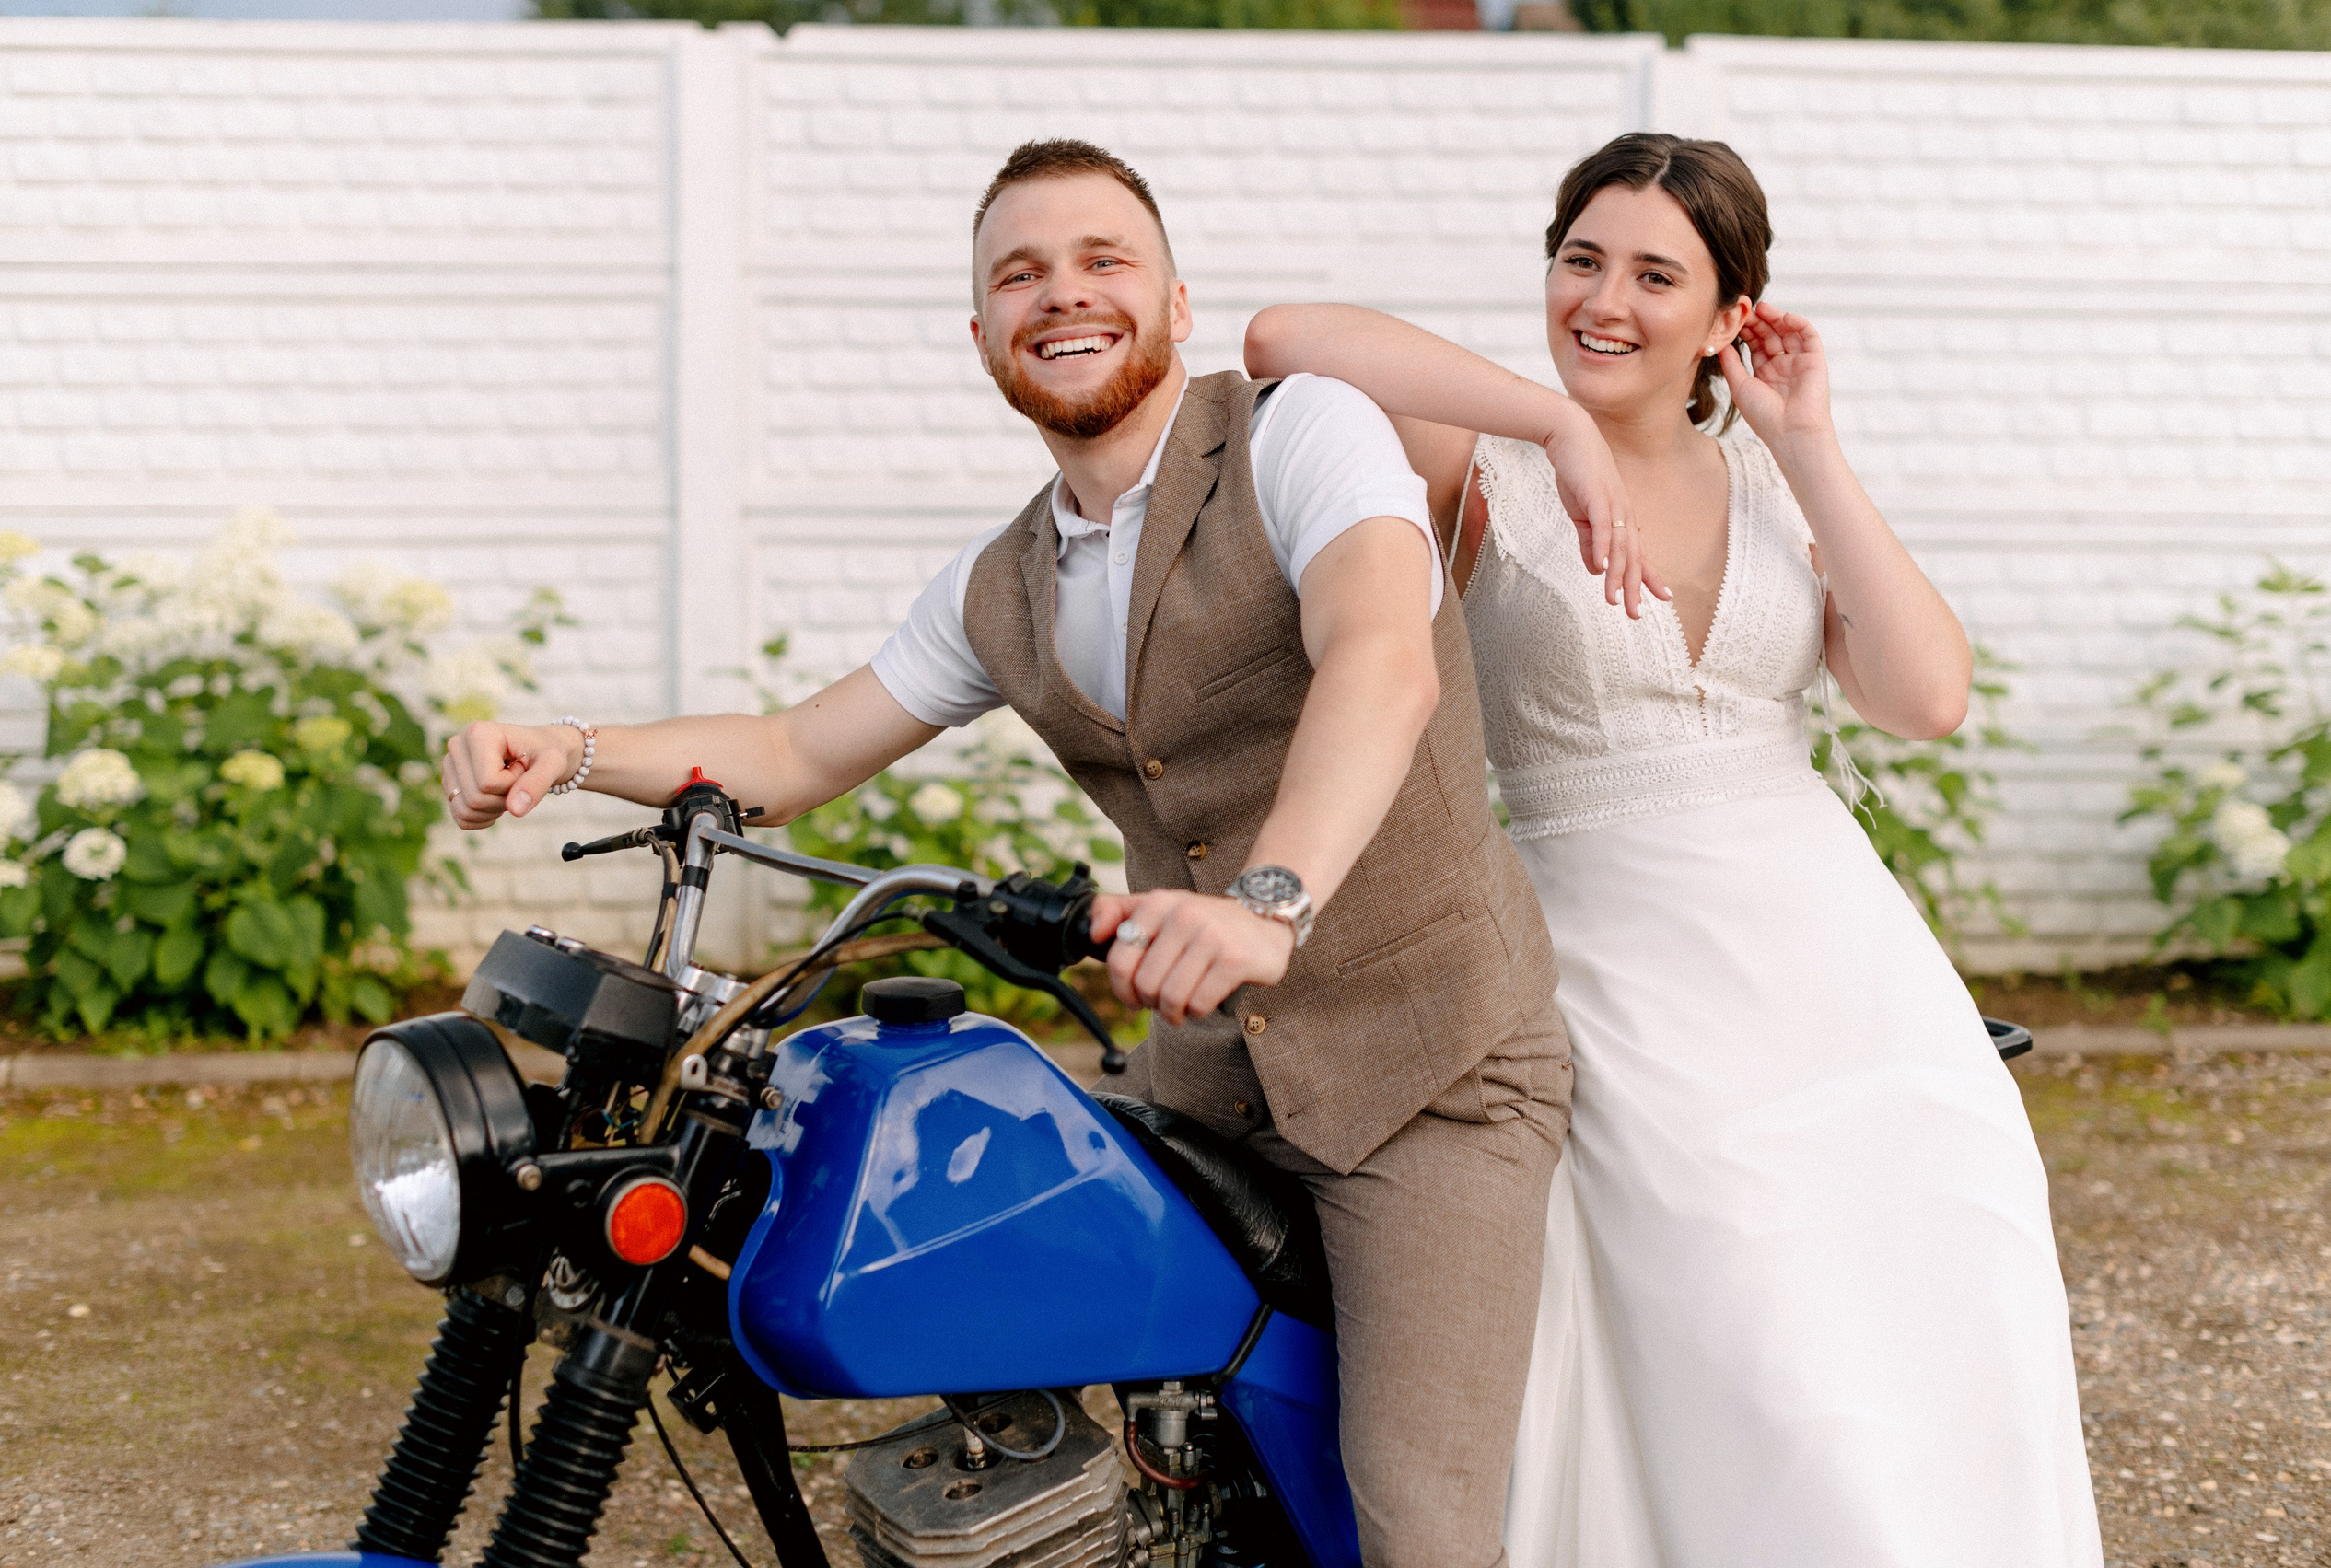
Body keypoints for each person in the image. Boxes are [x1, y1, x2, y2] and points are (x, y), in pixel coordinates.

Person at [442, 138, 1579, 1567]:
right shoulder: (1005, 582)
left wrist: (1269, 901)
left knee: (1415, 1522)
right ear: (982, 335)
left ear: (1173, 304)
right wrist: (571, 746)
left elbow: (1381, 662)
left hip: (1433, 1074)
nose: (1063, 294)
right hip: (1214, 1077)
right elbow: (798, 752)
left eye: (1104, 260)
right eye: (1020, 274)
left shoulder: (1301, 433)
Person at [1246, 132, 2103, 1567]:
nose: (1606, 300)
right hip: (1616, 956)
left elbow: (1924, 697)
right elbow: (1283, 338)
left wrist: (1807, 442)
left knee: (1966, 1276)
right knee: (1760, 1328)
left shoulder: (1769, 482)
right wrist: (1558, 424)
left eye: (1657, 274)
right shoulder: (1484, 464)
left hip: (1843, 966)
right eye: (1581, 259)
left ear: (1730, 317)